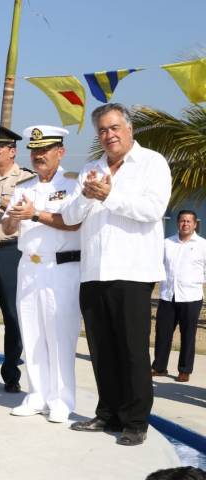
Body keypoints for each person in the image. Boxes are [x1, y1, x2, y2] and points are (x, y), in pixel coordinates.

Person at [62, 103, 172, 446]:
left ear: (129, 128)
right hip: (94, 271)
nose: (109, 135)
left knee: (133, 350)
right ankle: (107, 413)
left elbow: (153, 209)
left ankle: (136, 421)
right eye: (102, 130)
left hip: (132, 271)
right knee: (102, 349)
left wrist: (110, 195)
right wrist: (86, 195)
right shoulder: (91, 169)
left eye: (114, 128)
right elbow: (70, 216)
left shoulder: (152, 163)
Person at [1, 125, 81, 423]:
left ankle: (61, 400)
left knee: (60, 335)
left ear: (60, 152)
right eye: (34, 150)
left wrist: (34, 214)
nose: (38, 155)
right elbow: (8, 227)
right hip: (29, 266)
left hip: (61, 268)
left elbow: (73, 223)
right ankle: (36, 395)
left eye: (45, 150)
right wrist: (13, 219)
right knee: (32, 334)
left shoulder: (72, 184)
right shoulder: (24, 187)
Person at [0, 124, 35, 393]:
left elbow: (25, 212)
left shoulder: (26, 179)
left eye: (0, 147)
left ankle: (11, 373)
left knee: (13, 315)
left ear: (12, 151)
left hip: (11, 251)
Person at [152, 210, 206, 382]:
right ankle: (159, 367)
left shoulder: (203, 245)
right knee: (163, 333)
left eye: (189, 221)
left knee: (188, 334)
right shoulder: (167, 243)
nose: (185, 224)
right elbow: (157, 265)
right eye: (183, 221)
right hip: (168, 295)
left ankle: (185, 370)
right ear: (177, 223)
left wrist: (196, 281)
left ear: (195, 224)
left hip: (191, 297)